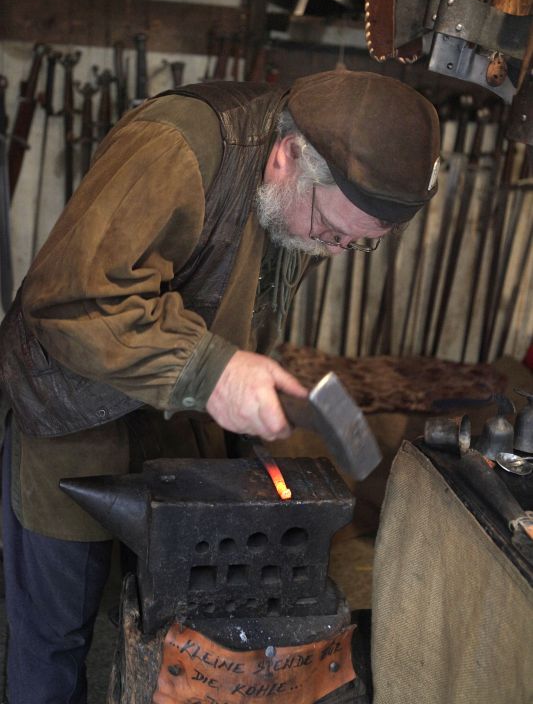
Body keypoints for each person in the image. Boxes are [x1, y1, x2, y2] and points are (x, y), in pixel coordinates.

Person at [0, 69, 440, 702]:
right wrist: (212, 371)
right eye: (331, 229)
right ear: (288, 155)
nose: (335, 248)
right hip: (71, 412)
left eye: (355, 243)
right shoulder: (180, 145)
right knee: (56, 636)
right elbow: (73, 300)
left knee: (169, 629)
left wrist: (235, 381)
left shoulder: (298, 196)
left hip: (174, 422)